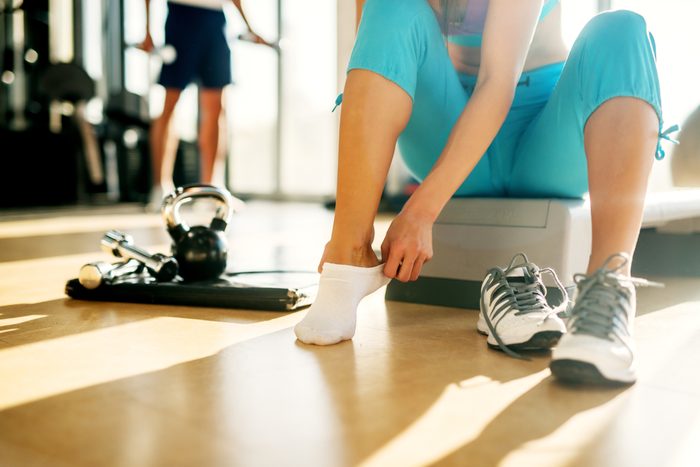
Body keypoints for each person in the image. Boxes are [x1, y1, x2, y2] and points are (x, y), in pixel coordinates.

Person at [294, 0, 677, 386]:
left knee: (621, 29)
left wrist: (420, 211)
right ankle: (349, 257)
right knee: (390, 7)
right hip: (451, 126)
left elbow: (497, 80)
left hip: (548, 140)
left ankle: (606, 291)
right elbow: (381, 54)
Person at [141, 0, 273, 205]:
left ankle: (210, 190)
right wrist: (147, 30)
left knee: (216, 109)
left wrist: (249, 27)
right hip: (181, 16)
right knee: (170, 107)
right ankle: (160, 188)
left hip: (215, 20)